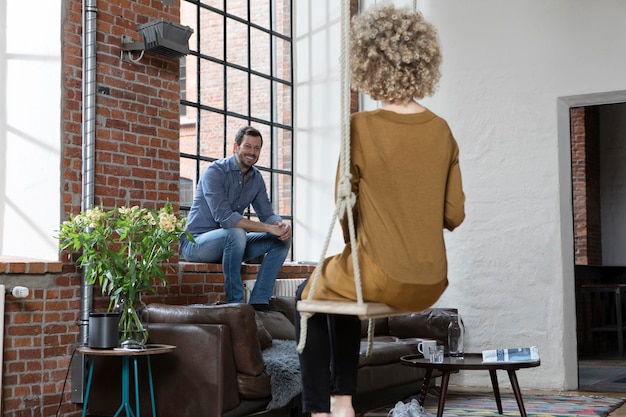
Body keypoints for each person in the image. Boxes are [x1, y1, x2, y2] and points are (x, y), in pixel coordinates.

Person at [296, 5, 465, 417]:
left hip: (380, 275)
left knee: (309, 296)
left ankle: (329, 406)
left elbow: (344, 210)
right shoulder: (441, 129)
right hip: (432, 281)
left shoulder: (360, 127)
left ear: (366, 62)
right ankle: (340, 400)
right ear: (423, 61)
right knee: (340, 292)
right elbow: (454, 215)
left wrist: (360, 246)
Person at [180, 126, 292, 310]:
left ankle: (259, 303)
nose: (252, 152)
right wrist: (267, 227)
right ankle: (236, 306)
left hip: (230, 245)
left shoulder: (256, 179)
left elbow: (267, 213)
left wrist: (279, 225)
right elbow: (226, 219)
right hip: (196, 244)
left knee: (281, 241)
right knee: (236, 233)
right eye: (248, 146)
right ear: (235, 146)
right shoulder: (215, 172)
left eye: (257, 148)